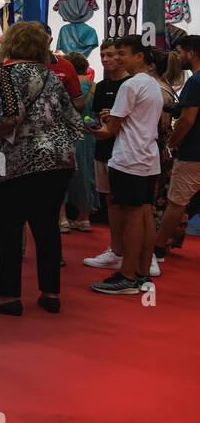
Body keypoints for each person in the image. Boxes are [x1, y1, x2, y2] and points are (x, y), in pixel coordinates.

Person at [0, 21, 82, 315]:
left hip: (20, 158)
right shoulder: (51, 75)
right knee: (47, 226)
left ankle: (8, 295)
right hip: (60, 158)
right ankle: (50, 292)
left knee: (8, 225)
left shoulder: (6, 74)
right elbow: (74, 117)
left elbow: (11, 118)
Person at [91, 34, 164, 295]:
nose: (117, 58)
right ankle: (142, 273)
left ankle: (128, 275)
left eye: (122, 53)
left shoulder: (131, 85)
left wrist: (89, 129)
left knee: (133, 217)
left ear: (139, 56)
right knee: (144, 215)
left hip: (129, 157)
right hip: (147, 157)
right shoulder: (152, 83)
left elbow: (110, 131)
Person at [83, 38, 133, 269]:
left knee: (132, 207)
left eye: (112, 54)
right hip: (103, 150)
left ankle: (139, 254)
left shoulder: (133, 84)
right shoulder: (101, 86)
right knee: (110, 203)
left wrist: (116, 116)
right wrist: (92, 125)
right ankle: (116, 250)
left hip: (128, 154)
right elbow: (96, 120)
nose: (107, 59)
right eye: (104, 55)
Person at [158, 36, 200, 251]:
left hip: (193, 152)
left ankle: (158, 248)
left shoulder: (195, 81)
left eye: (180, 51)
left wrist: (171, 143)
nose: (178, 56)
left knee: (176, 202)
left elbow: (187, 119)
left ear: (191, 53)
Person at [144, 49, 179, 261]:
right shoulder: (165, 87)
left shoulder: (159, 89)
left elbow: (163, 124)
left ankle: (155, 243)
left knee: (157, 198)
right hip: (164, 149)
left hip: (159, 149)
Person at [62, 51, 98, 233]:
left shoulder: (67, 85)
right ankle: (84, 218)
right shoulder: (95, 87)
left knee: (62, 177)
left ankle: (62, 219)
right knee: (88, 176)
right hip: (90, 137)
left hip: (68, 134)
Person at [43, 23, 87, 111]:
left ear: (50, 40)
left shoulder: (65, 65)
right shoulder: (16, 64)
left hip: (57, 121)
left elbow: (78, 102)